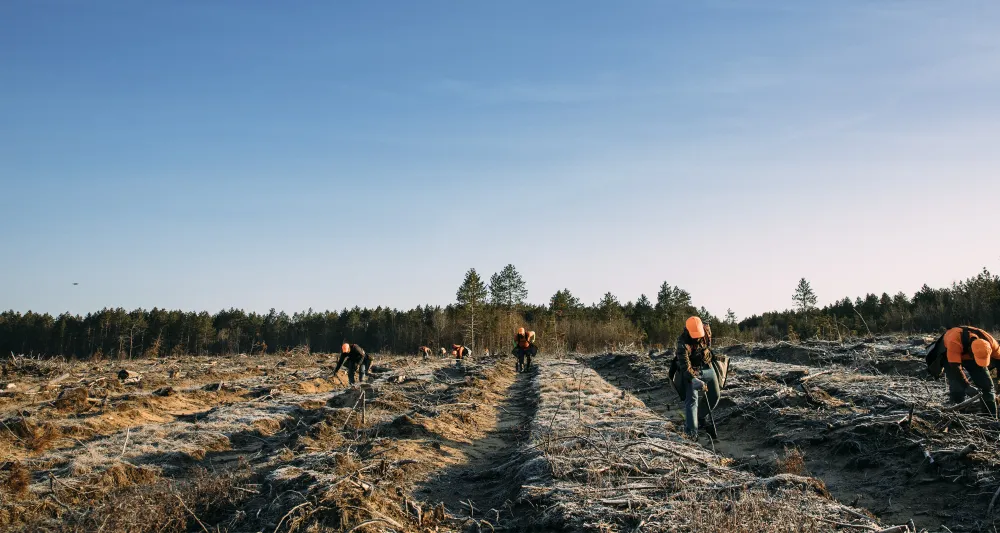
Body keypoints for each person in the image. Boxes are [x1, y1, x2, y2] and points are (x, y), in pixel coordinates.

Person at [935, 326, 999, 416]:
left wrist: (998, 381)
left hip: (969, 353)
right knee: (957, 386)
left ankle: (990, 416)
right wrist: (967, 386)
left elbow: (999, 361)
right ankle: (957, 414)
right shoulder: (954, 341)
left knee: (987, 386)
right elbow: (955, 368)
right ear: (970, 350)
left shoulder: (992, 343)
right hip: (949, 354)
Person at [675, 317, 718, 439]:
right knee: (692, 400)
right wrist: (694, 379)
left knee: (715, 395)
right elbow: (685, 366)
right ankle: (691, 433)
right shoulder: (682, 343)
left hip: (706, 365)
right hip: (691, 370)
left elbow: (708, 346)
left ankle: (700, 417)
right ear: (688, 330)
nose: (697, 337)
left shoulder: (707, 330)